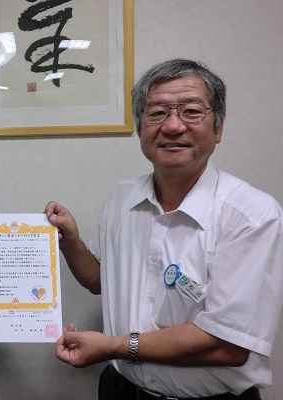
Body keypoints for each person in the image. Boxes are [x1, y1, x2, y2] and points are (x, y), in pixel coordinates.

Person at [45, 59, 283, 399]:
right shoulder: (121, 197)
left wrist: (113, 346)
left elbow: (228, 345)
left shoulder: (251, 215)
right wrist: (71, 242)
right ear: (140, 127)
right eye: (157, 113)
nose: (172, 126)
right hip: (120, 390)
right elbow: (100, 280)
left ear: (218, 128)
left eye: (191, 111)